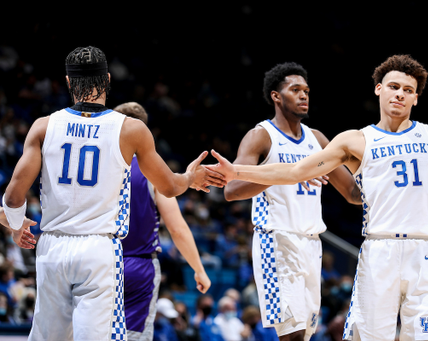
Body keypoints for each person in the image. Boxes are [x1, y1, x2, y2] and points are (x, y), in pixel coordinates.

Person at [207, 54, 428, 341]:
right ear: (379, 89)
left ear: (416, 97)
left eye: (408, 90)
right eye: (393, 87)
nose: (400, 95)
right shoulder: (355, 140)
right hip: (379, 249)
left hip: (426, 251)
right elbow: (296, 171)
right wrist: (237, 172)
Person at [0, 46, 225, 341]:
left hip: (52, 247)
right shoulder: (130, 130)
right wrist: (190, 178)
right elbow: (170, 186)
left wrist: (16, 228)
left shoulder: (44, 126)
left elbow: (13, 198)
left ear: (68, 82)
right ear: (107, 79)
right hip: (98, 249)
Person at [223, 62, 361, 341]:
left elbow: (352, 193)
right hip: (277, 241)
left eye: (306, 90)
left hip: (311, 243)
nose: (303, 95)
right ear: (276, 96)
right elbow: (232, 189)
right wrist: (290, 174)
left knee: (307, 334)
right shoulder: (260, 136)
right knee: (292, 334)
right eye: (295, 89)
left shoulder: (318, 139)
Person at [113, 101, 211, 341]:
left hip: (98, 260)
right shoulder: (153, 170)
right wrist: (198, 270)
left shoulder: (97, 166)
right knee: (132, 337)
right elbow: (177, 228)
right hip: (139, 267)